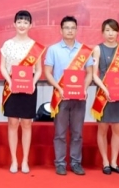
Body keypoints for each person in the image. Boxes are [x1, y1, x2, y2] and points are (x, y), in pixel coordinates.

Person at [43, 15, 93, 176]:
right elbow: (47, 73)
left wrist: (84, 88)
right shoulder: (53, 49)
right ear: (61, 30)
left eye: (72, 28)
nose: (70, 31)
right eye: (66, 28)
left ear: (76, 30)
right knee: (60, 133)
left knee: (77, 133)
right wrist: (59, 88)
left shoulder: (84, 50)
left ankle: (76, 163)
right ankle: (60, 163)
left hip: (79, 98)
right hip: (61, 97)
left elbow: (90, 73)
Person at [0, 10, 44, 174]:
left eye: (25, 22)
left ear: (30, 25)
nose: (22, 25)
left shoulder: (35, 46)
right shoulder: (7, 44)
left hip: (29, 86)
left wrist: (33, 82)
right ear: (14, 24)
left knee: (26, 123)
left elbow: (39, 70)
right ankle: (14, 160)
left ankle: (25, 160)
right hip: (11, 85)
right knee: (12, 123)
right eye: (19, 22)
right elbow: (2, 67)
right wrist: (10, 81)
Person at [90, 19, 119, 175]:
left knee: (117, 128)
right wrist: (105, 89)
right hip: (103, 93)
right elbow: (94, 74)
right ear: (102, 32)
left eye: (113, 30)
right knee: (103, 128)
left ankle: (114, 162)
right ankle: (105, 162)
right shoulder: (98, 49)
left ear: (118, 32)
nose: (110, 33)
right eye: (107, 30)